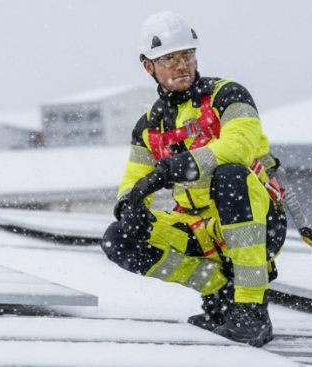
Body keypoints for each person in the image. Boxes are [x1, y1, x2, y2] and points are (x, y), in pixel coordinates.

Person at [100, 11, 288, 348]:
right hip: (199, 231)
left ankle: (250, 309)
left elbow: (238, 147)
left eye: (187, 55)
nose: (181, 65)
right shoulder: (148, 127)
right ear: (149, 67)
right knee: (119, 237)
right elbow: (134, 177)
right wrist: (129, 204)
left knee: (231, 177)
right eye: (169, 58)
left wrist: (174, 167)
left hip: (257, 220)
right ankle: (218, 291)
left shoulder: (228, 95)